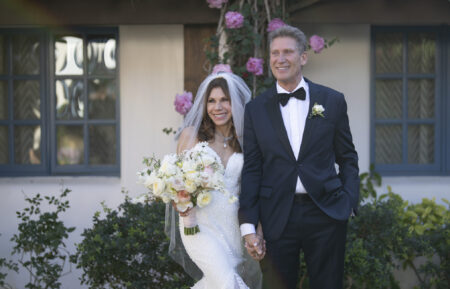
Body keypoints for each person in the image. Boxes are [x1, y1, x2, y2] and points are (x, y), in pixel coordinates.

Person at [239, 25, 360, 289]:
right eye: (274, 53)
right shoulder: (255, 110)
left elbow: (348, 157)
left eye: (287, 52)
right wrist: (248, 223)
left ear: (303, 57)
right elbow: (252, 169)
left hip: (326, 212)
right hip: (277, 216)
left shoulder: (332, 100)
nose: (280, 59)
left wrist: (349, 202)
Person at [166, 72, 263, 289]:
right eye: (211, 101)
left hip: (233, 226)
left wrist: (258, 231)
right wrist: (179, 200)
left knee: (216, 284)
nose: (217, 107)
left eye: (224, 100)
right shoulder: (191, 135)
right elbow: (175, 182)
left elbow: (255, 191)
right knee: (229, 284)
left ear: (235, 103)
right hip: (198, 225)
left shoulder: (248, 141)